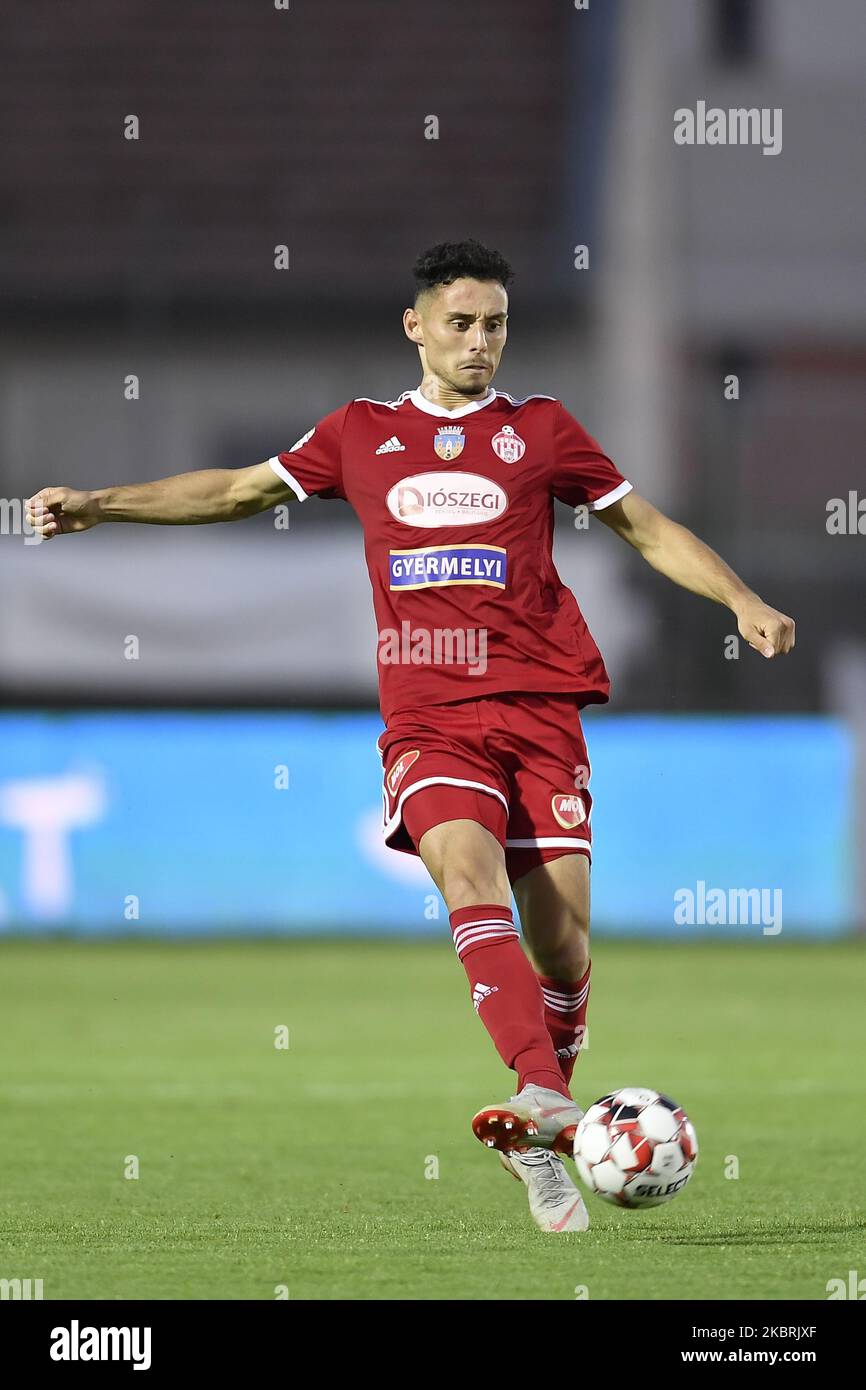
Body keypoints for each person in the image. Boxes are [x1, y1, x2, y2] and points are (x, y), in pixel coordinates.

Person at [26, 238, 795, 1233]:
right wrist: (102, 504)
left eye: (495, 325)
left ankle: (536, 1126)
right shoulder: (358, 433)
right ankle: (542, 1095)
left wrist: (739, 597)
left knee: (561, 947)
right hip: (429, 719)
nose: (480, 343)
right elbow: (231, 490)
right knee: (467, 879)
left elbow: (642, 526)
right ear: (416, 325)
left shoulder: (543, 430)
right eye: (461, 323)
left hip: (539, 707)